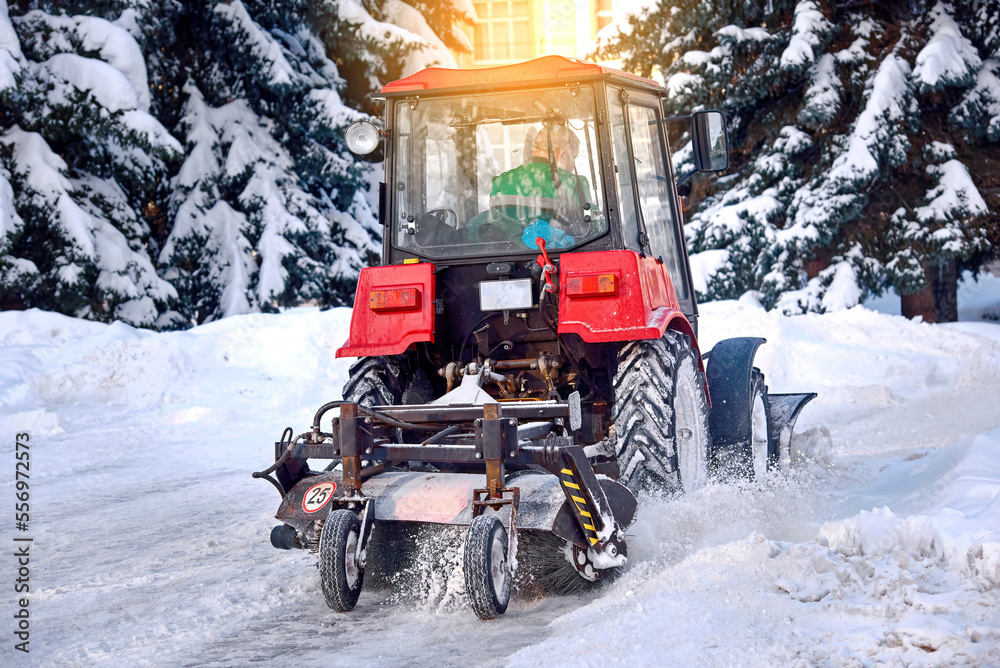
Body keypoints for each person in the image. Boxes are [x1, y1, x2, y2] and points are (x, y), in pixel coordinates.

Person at [469, 125, 591, 249]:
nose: (573, 165)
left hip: (504, 259)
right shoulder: (574, 182)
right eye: (573, 158)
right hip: (554, 259)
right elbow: (592, 230)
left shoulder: (500, 181)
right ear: (563, 155)